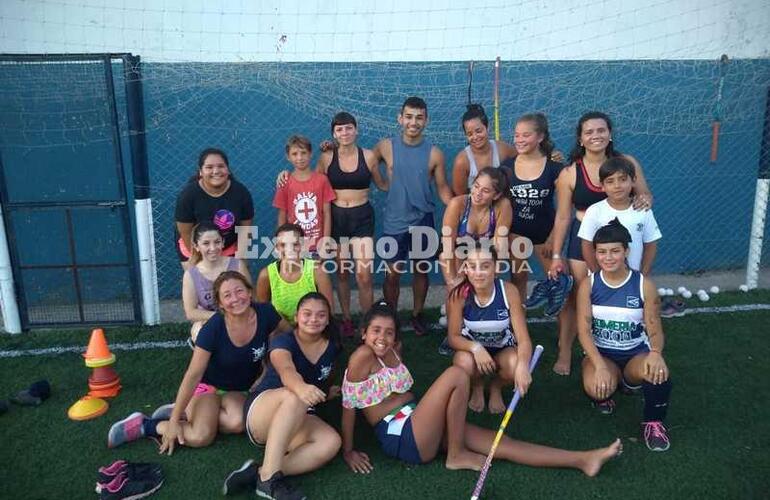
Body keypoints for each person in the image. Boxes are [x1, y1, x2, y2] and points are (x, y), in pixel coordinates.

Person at [341, 301, 622, 475]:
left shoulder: (393, 349)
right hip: (401, 434)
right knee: (456, 375)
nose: (383, 337)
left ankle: (583, 460)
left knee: (503, 444)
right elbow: (349, 405)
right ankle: (455, 455)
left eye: (389, 331)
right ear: (363, 332)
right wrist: (349, 451)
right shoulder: (361, 357)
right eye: (376, 330)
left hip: (420, 421)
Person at [107, 271, 288, 452]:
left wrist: (266, 372)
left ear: (250, 292)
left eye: (239, 291)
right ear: (221, 304)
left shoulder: (266, 313)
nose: (235, 298)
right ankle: (147, 425)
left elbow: (289, 334)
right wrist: (173, 421)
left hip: (238, 390)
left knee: (239, 423)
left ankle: (190, 412)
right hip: (208, 387)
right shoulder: (213, 329)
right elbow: (193, 375)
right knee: (200, 436)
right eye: (227, 295)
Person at [547, 111, 654, 375]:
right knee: (576, 297)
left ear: (610, 134)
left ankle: (618, 349)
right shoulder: (570, 173)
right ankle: (565, 351)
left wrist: (646, 199)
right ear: (580, 139)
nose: (596, 136)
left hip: (620, 240)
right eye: (589, 132)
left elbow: (645, 194)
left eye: (601, 130)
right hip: (583, 239)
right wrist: (557, 254)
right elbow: (563, 216)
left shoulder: (626, 163)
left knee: (620, 296)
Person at [222, 292, 342, 499]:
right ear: (296, 317)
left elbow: (323, 375)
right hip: (263, 411)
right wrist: (302, 388)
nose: (313, 319)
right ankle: (268, 482)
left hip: (299, 414)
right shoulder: (283, 341)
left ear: (328, 319)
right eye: (307, 314)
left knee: (331, 441)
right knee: (294, 396)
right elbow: (287, 371)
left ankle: (259, 472)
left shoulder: (332, 346)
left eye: (321, 315)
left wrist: (324, 391)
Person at [576, 219, 672, 452]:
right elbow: (584, 332)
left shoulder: (643, 285)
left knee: (659, 373)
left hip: (634, 354)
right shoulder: (588, 285)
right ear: (596, 254)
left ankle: (653, 422)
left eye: (615, 251)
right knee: (595, 387)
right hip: (602, 354)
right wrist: (598, 365)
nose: (608, 258)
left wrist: (656, 353)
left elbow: (654, 328)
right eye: (602, 252)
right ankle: (607, 390)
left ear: (626, 251)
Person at [370, 96, 454, 334]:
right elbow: (366, 162)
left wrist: (465, 203)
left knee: (421, 270)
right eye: (408, 117)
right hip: (394, 222)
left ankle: (417, 315)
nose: (413, 122)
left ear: (426, 121)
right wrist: (381, 182)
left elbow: (443, 189)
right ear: (400, 118)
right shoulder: (386, 146)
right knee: (392, 274)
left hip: (422, 221)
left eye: (419, 117)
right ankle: (391, 317)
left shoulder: (435, 153)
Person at [499, 113, 574, 375]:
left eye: (526, 134)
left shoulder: (555, 168)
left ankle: (565, 350)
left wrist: (555, 239)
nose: (519, 139)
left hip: (545, 236)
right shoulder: (507, 166)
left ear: (540, 136)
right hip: (515, 234)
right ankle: (520, 336)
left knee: (559, 288)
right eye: (517, 134)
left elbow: (566, 207)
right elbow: (500, 202)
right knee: (516, 281)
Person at [315, 112, 388, 336]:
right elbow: (313, 183)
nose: (344, 133)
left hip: (362, 217)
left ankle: (368, 324)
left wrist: (406, 176)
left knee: (364, 274)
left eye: (348, 128)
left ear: (356, 130)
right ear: (333, 134)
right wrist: (285, 177)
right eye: (339, 129)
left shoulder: (369, 156)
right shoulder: (327, 157)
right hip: (336, 217)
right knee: (344, 273)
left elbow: (383, 184)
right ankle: (347, 318)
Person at [447, 244, 532, 414]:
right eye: (472, 266)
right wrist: (476, 348)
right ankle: (477, 385)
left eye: (485, 266)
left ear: (496, 268)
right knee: (463, 363)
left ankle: (496, 387)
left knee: (516, 365)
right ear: (466, 270)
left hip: (503, 349)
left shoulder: (509, 291)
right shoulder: (459, 295)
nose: (478, 273)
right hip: (472, 352)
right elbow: (453, 337)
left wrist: (523, 366)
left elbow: (523, 339)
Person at [578, 157, 661, 275]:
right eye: (610, 181)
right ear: (602, 186)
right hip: (602, 280)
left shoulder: (643, 210)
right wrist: (597, 275)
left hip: (633, 278)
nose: (617, 185)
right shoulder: (594, 211)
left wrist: (642, 275)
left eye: (622, 179)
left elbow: (651, 245)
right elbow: (586, 245)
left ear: (633, 181)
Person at [175, 148, 254, 270]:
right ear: (200, 171)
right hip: (196, 248)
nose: (216, 171)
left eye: (221, 166)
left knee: (233, 283)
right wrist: (200, 259)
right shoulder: (188, 195)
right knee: (202, 283)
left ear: (228, 170)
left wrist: (241, 261)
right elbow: (185, 232)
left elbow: (246, 229)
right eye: (209, 167)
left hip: (228, 246)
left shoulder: (241, 192)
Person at [439, 167, 512, 291]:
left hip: (484, 254)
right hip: (457, 253)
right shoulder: (457, 204)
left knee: (484, 279)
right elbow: (447, 247)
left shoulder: (503, 206)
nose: (478, 194)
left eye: (485, 191)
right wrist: (453, 282)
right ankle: (453, 302)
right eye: (476, 186)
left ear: (496, 195)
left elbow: (499, 243)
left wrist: (493, 272)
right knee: (458, 285)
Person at [182, 222, 251, 345]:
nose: (213, 248)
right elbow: (191, 313)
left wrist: (236, 316)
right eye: (206, 243)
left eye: (217, 242)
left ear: (223, 242)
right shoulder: (191, 275)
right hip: (211, 319)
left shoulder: (237, 265)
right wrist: (223, 317)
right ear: (196, 246)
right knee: (199, 331)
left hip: (239, 315)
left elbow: (251, 297)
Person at [256, 223, 334, 323]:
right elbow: (263, 313)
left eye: (295, 244)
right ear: (276, 248)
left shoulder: (317, 271)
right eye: (283, 245)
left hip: (313, 327)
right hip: (282, 332)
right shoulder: (266, 275)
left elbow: (329, 311)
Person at [273, 135, 336, 256]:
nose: (300, 158)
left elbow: (327, 213)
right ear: (288, 157)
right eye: (294, 154)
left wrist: (326, 241)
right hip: (295, 245)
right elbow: (282, 215)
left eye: (303, 153)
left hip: (317, 244)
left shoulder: (322, 180)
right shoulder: (285, 182)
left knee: (317, 274)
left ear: (311, 154)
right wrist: (281, 243)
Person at [450, 104, 517, 195]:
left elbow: (522, 158)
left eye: (478, 131)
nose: (475, 137)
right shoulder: (462, 161)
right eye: (469, 134)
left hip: (500, 203)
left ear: (487, 128)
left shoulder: (502, 149)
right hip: (476, 206)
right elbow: (460, 195)